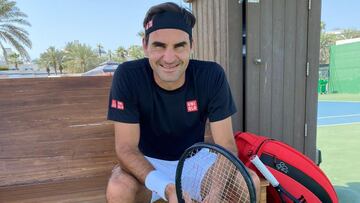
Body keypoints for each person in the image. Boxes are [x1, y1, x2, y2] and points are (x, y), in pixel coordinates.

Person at [106, 2, 260, 203]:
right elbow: (126, 149)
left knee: (248, 180)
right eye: (159, 46)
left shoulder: (211, 75)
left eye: (179, 46)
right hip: (148, 162)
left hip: (195, 161)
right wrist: (167, 188)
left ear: (191, 46)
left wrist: (215, 193)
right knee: (118, 188)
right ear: (145, 46)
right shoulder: (128, 75)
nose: (169, 58)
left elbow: (227, 145)